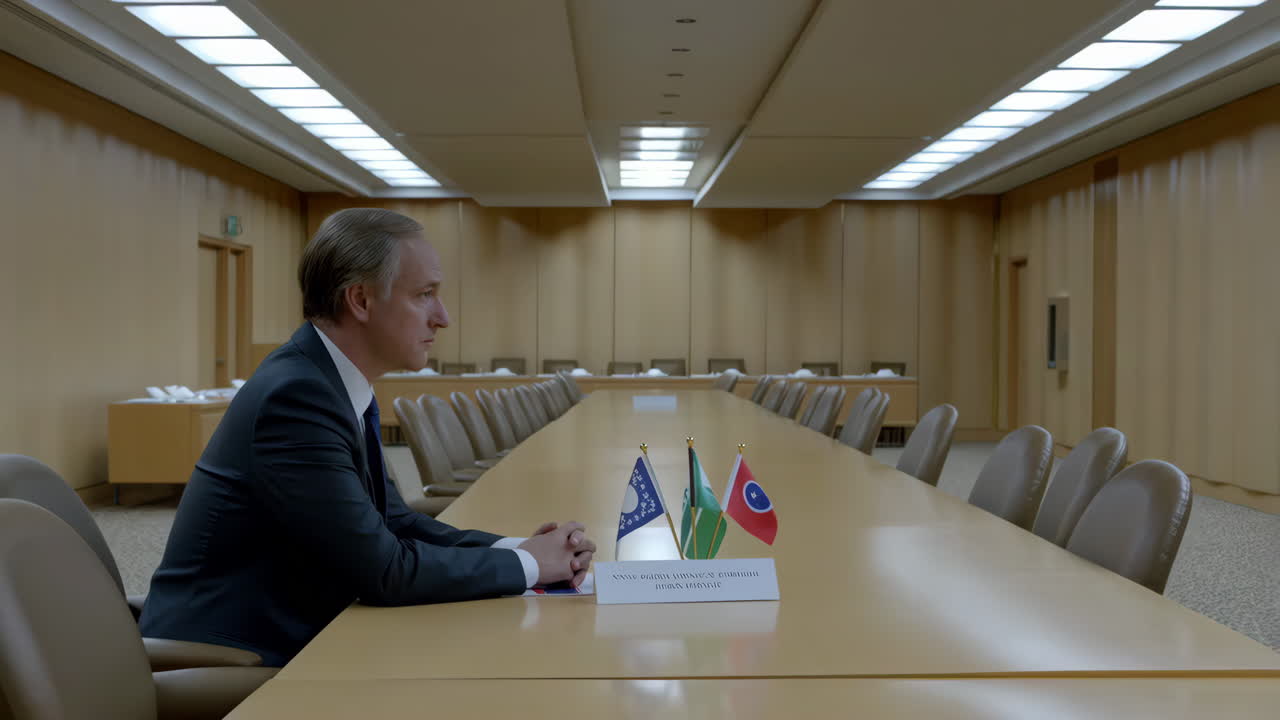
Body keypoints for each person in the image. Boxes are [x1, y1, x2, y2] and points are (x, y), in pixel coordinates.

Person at [139, 208, 595, 667]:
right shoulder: (298, 397)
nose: (443, 317)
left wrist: (519, 549)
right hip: (235, 657)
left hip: (299, 626)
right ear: (360, 299)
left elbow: (395, 522)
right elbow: (384, 571)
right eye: (425, 294)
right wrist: (532, 567)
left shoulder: (331, 382)